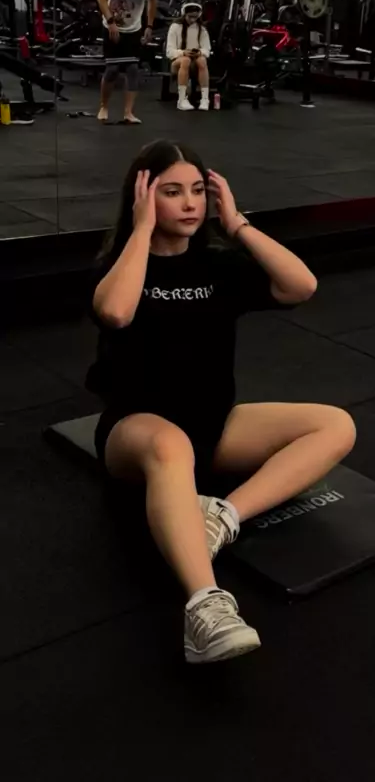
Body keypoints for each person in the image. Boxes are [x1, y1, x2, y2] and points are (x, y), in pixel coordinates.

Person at [87, 140, 356, 665]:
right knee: (170, 446)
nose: (190, 203)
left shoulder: (218, 266)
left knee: (335, 425)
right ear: (143, 198)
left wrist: (237, 225)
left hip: (213, 426)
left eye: (197, 191)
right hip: (135, 432)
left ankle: (222, 516)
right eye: (171, 192)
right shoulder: (122, 266)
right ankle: (204, 608)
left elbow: (302, 285)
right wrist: (140, 231)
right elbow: (116, 313)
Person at [96, 0, 158, 124]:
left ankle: (128, 113)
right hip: (113, 25)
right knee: (112, 70)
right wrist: (111, 21)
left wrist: (149, 25)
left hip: (134, 27)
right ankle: (104, 107)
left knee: (132, 69)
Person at [166, 3, 211, 111]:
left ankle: (205, 99)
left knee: (202, 60)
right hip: (177, 62)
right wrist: (183, 53)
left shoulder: (201, 29)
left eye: (195, 17)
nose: (192, 19)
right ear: (184, 14)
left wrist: (199, 52)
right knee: (185, 60)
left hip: (195, 63)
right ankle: (182, 99)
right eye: (190, 16)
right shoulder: (175, 27)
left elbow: (207, 50)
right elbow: (169, 52)